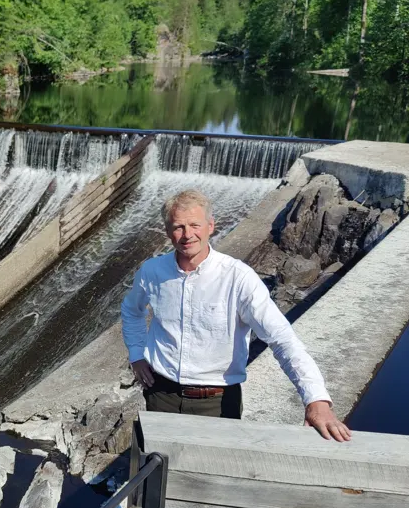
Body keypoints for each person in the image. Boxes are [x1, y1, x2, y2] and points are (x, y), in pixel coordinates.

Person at [120, 189, 351, 442]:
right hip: (160, 395)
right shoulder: (152, 271)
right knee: (159, 463)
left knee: (214, 467)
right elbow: (132, 310)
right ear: (167, 231)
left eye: (195, 225)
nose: (187, 235)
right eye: (178, 227)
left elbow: (281, 338)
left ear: (210, 226)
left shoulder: (238, 278)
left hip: (217, 404)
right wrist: (137, 354)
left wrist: (316, 400)